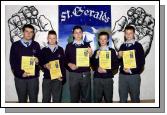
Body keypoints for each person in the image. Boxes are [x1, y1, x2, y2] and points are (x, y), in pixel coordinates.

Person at [10, 24, 40, 103]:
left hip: (33, 78)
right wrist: (21, 73)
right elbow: (13, 62)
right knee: (22, 100)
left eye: (31, 32)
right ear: (22, 32)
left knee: (34, 100)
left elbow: (40, 61)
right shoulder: (15, 45)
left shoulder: (36, 45)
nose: (29, 34)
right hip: (20, 78)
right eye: (26, 31)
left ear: (33, 34)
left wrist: (38, 61)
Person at [65, 25, 93, 103]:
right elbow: (65, 60)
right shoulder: (69, 46)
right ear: (73, 34)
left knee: (86, 97)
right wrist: (70, 64)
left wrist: (91, 55)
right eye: (76, 33)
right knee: (74, 97)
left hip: (85, 73)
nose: (78, 35)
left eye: (80, 32)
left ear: (82, 34)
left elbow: (91, 59)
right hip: (73, 75)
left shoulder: (87, 45)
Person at [118, 25, 145, 103]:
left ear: (134, 34)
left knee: (135, 98)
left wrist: (131, 70)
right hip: (122, 76)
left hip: (134, 76)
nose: (128, 35)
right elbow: (119, 62)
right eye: (126, 33)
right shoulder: (122, 46)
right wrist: (119, 56)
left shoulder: (138, 46)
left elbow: (142, 62)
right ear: (124, 34)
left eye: (130, 33)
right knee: (122, 99)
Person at [91, 32, 119, 103]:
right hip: (97, 78)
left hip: (108, 78)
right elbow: (92, 65)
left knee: (108, 99)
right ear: (98, 40)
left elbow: (116, 65)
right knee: (97, 100)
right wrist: (96, 57)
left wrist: (106, 70)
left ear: (107, 40)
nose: (103, 41)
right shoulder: (96, 51)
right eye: (101, 39)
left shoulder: (112, 51)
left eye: (105, 39)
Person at [40, 30, 66, 103]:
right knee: (45, 99)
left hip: (58, 78)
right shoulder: (43, 50)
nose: (52, 40)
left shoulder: (60, 50)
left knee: (57, 100)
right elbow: (40, 62)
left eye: (54, 38)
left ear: (56, 39)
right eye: (50, 38)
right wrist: (44, 65)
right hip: (47, 78)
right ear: (47, 39)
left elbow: (63, 64)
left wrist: (63, 77)